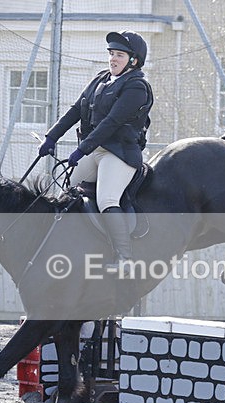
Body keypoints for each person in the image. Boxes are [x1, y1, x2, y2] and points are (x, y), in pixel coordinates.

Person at [38, 30, 153, 274]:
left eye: (119, 55)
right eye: (111, 54)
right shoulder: (100, 80)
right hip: (95, 150)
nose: (113, 59)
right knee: (67, 194)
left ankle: (124, 257)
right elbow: (75, 110)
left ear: (133, 60)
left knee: (107, 199)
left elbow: (110, 123)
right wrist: (51, 137)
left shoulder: (137, 87)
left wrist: (81, 150)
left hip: (120, 154)